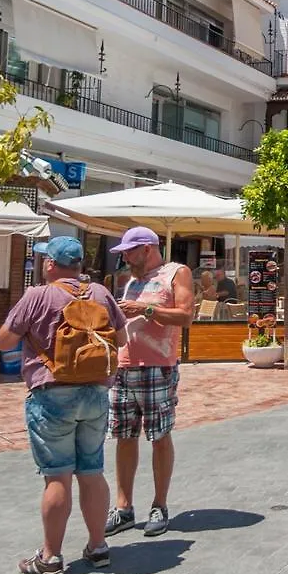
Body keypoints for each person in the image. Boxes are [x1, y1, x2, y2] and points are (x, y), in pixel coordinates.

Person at [0, 236, 129, 574]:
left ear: (51, 264)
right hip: (96, 394)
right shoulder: (101, 293)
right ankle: (98, 547)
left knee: (57, 477)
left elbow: (3, 341)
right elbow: (123, 340)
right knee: (92, 471)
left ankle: (51, 558)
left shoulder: (37, 295)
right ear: (80, 264)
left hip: (52, 394)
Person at [104, 227, 194, 539]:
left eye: (129, 251)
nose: (125, 257)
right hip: (123, 367)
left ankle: (159, 505)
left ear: (147, 248)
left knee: (159, 435)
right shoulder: (130, 281)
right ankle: (124, 508)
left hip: (158, 367)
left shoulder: (176, 273)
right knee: (124, 436)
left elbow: (185, 315)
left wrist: (146, 309)